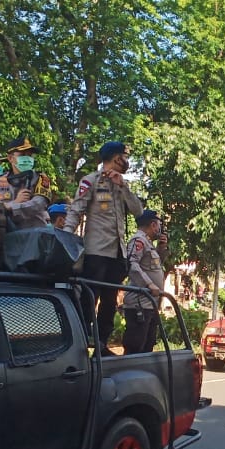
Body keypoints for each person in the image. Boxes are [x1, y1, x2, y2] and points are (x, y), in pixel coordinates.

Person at [64, 141, 146, 353]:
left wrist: (124, 187)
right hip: (96, 252)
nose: (126, 162)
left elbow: (139, 212)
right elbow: (76, 210)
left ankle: (101, 344)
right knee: (89, 297)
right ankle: (80, 343)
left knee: (110, 301)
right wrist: (63, 238)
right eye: (123, 157)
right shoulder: (90, 181)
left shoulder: (121, 185)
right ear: (114, 157)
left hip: (117, 253)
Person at [123, 210, 169, 354]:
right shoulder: (138, 241)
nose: (159, 230)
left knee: (148, 345)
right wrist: (149, 284)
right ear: (153, 224)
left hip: (150, 304)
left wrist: (161, 248)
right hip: (139, 304)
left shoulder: (149, 244)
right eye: (159, 226)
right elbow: (132, 264)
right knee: (136, 346)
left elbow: (155, 265)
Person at [0, 136, 53, 229]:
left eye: (29, 155)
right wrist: (15, 202)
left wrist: (9, 207)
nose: (27, 158)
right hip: (4, 234)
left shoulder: (41, 178)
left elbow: (38, 204)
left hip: (34, 234)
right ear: (10, 158)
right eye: (22, 155)